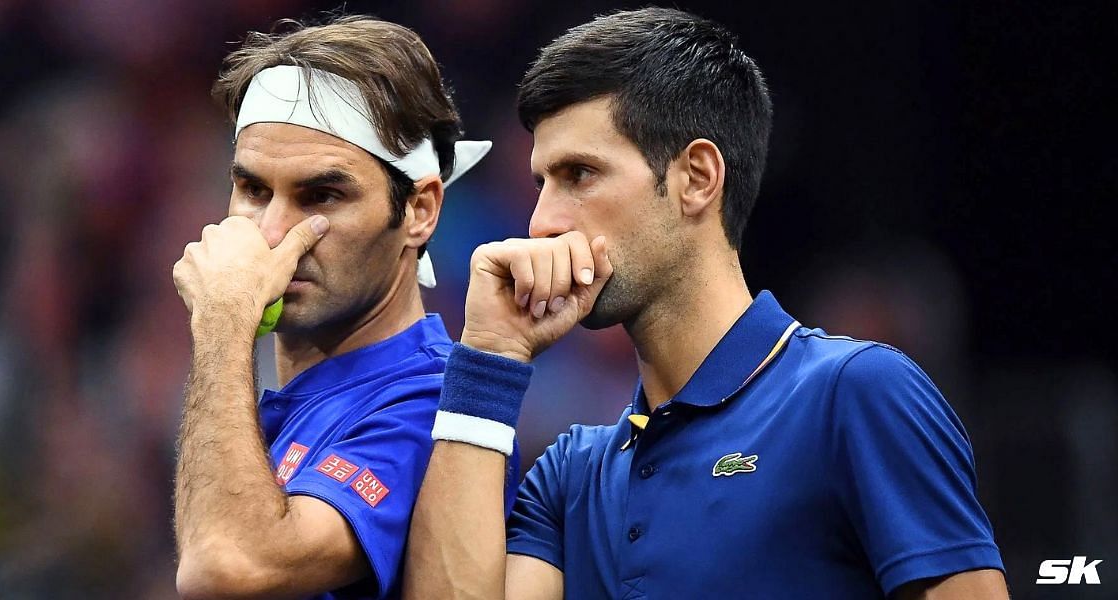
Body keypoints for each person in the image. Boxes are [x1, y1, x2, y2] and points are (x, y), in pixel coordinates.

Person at [404, 7, 1008, 599]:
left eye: (580, 175)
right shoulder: (570, 474)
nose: (541, 223)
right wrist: (489, 357)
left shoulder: (855, 394)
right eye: (541, 185)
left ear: (696, 177)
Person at [170, 16, 510, 599]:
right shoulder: (275, 404)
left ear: (420, 210)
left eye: (322, 195)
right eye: (253, 190)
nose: (274, 231)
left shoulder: (434, 405)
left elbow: (225, 566)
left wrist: (224, 324)